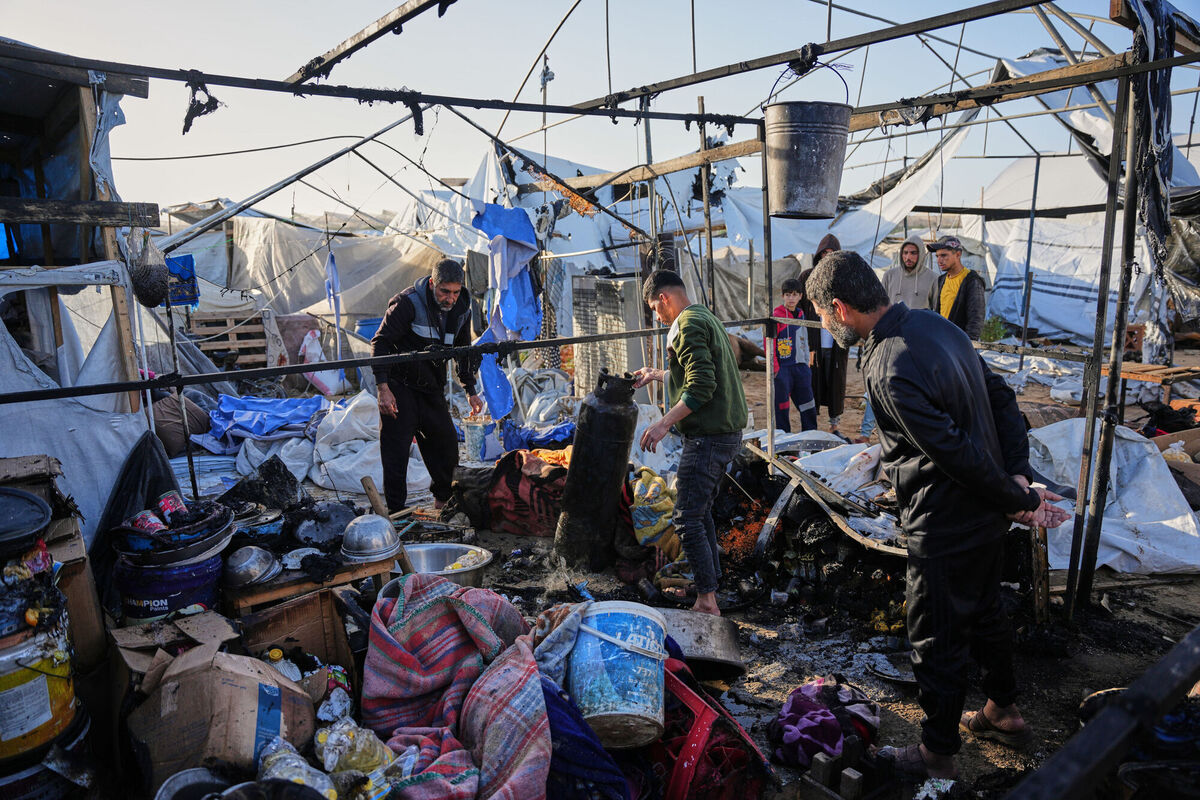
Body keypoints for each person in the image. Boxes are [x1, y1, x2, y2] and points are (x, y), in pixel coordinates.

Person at [805, 250, 1070, 780]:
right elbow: (1001, 398)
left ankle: (937, 751)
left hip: (944, 522)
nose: (825, 326)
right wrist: (1016, 478)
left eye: (822, 316)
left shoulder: (886, 366)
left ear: (839, 308)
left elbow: (953, 454)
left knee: (935, 635)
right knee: (988, 609)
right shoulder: (935, 326)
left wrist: (1019, 497)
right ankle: (1004, 709)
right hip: (984, 517)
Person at [633, 269, 748, 616]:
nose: (657, 315)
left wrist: (663, 424)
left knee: (685, 517)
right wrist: (658, 374)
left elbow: (700, 386)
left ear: (664, 298)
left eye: (655, 307)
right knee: (700, 513)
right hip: (725, 434)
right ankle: (708, 585)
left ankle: (707, 601)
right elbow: (695, 371)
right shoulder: (703, 316)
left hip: (708, 439)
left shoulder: (685, 326)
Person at [372, 259, 483, 513]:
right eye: (445, 291)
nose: (450, 298)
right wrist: (383, 388)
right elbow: (380, 343)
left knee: (446, 446)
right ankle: (396, 512)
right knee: (396, 452)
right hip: (400, 386)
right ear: (432, 284)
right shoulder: (407, 303)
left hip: (432, 388)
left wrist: (470, 390)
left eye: (455, 292)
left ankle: (442, 503)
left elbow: (463, 351)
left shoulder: (463, 307)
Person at [859, 234, 938, 441]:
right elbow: (879, 306)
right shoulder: (890, 276)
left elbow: (936, 312)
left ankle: (904, 436)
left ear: (920, 254)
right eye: (905, 252)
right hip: (890, 338)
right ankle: (865, 434)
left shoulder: (932, 278)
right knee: (877, 384)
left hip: (918, 342)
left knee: (910, 390)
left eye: (913, 253)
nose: (908, 257)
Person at [800, 233, 849, 436]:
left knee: (835, 380)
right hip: (815, 339)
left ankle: (834, 424)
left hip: (836, 338)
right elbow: (799, 303)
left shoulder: (844, 277)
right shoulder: (807, 276)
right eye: (824, 252)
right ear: (818, 254)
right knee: (814, 378)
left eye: (831, 253)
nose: (827, 256)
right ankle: (814, 424)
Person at [768, 277, 817, 432]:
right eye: (788, 295)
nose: (791, 298)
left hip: (801, 369)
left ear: (801, 296)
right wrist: (776, 368)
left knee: (808, 405)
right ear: (782, 296)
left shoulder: (801, 314)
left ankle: (810, 438)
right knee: (782, 408)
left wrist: (807, 363)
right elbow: (768, 342)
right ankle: (785, 445)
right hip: (783, 369)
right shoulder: (777, 315)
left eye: (795, 294)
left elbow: (805, 339)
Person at [930, 235, 987, 341]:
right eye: (937, 256)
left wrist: (967, 346)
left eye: (944, 255)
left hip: (959, 345)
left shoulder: (972, 281)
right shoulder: (941, 280)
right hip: (942, 342)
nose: (939, 260)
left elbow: (976, 320)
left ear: (958, 254)